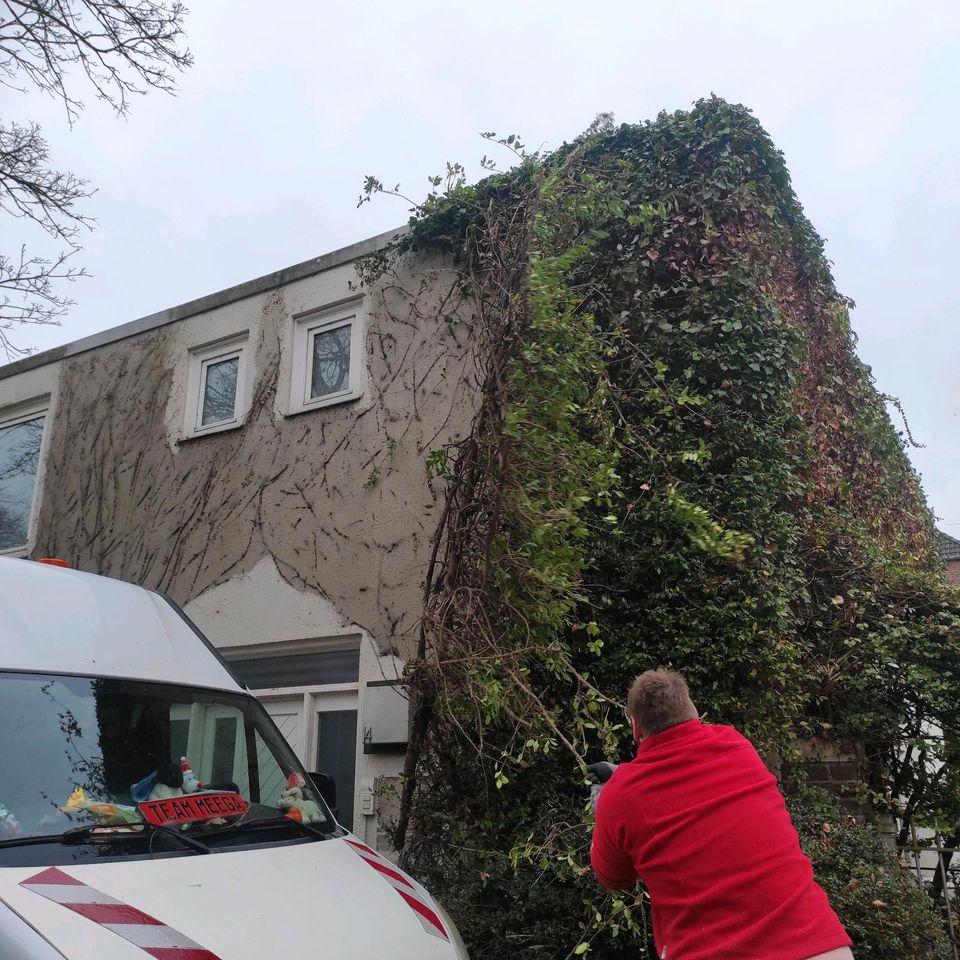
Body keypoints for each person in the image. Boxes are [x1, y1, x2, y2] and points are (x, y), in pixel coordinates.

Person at [590, 669, 853, 960]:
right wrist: (622, 783)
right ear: (695, 713)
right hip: (821, 946)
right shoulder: (736, 745)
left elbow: (613, 876)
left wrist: (607, 799)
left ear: (636, 729)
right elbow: (694, 783)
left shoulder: (623, 796)